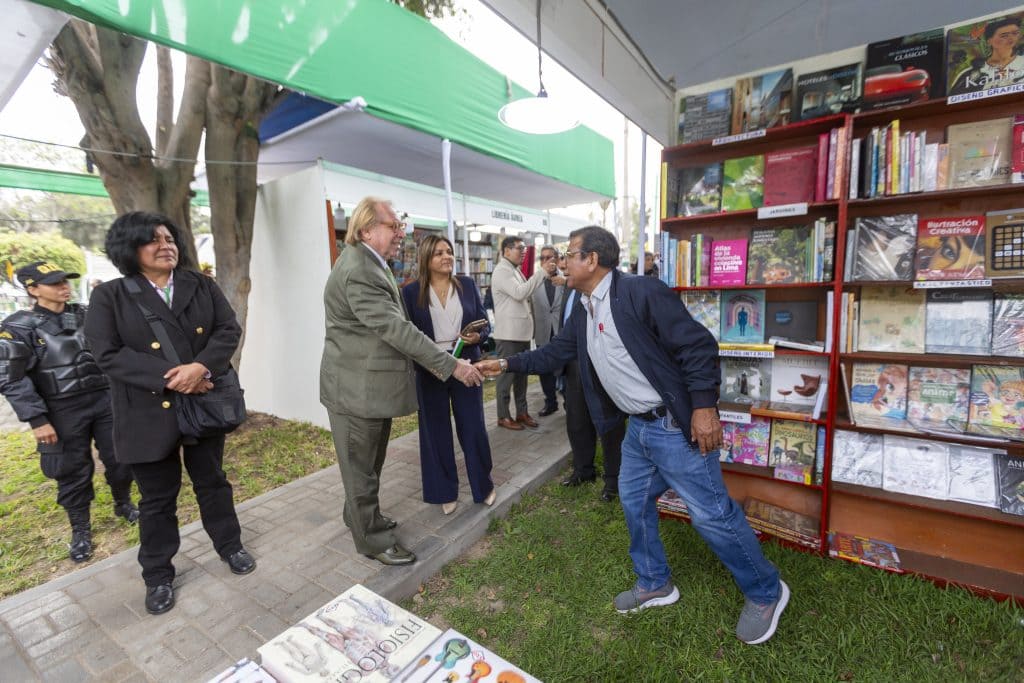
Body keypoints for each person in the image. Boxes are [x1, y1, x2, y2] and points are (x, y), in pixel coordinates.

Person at [475, 226, 789, 645]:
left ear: (593, 260)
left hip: (674, 426)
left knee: (711, 515)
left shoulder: (642, 292)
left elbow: (697, 346)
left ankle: (767, 591)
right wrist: (506, 365)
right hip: (638, 430)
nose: (562, 263)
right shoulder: (583, 305)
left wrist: (702, 408)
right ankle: (655, 581)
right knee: (634, 502)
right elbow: (557, 352)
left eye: (569, 255)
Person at [85, 211, 255, 616]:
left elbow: (227, 330)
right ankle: (158, 574)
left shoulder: (200, 284)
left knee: (213, 483)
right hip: (147, 412)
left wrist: (201, 368)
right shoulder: (110, 295)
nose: (166, 246)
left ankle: (230, 546)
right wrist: (172, 377)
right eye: (154, 240)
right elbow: (105, 353)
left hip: (202, 406)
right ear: (130, 249)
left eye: (170, 238)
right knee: (157, 499)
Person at [319, 197, 482, 567]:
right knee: (360, 469)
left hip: (366, 389)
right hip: (355, 391)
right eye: (394, 226)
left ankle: (361, 518)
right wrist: (452, 365)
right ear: (366, 230)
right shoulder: (361, 269)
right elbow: (394, 328)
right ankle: (373, 539)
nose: (401, 232)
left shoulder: (370, 264)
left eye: (400, 224)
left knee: (366, 466)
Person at [0, 262, 138, 564]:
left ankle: (123, 503)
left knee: (121, 457)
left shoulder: (87, 314)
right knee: (71, 470)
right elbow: (10, 377)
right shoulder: (18, 326)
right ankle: (80, 530)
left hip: (104, 399)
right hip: (60, 408)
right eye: (54, 282)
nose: (64, 286)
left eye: (65, 280)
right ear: (33, 289)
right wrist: (37, 419)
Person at [401, 234, 496, 516]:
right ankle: (444, 490)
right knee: (435, 433)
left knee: (474, 428)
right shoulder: (411, 292)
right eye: (439, 253)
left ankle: (483, 485)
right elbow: (410, 335)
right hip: (431, 370)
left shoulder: (466, 285)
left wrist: (478, 335)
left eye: (449, 252)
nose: (446, 257)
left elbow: (485, 325)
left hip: (467, 365)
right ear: (426, 259)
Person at [557, 283, 626, 502]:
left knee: (609, 423)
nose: (566, 261)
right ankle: (583, 470)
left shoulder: (610, 290)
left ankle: (613, 479)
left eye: (571, 254)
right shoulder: (570, 290)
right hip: (573, 363)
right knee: (576, 420)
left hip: (600, 363)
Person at [490, 236, 558, 430]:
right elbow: (520, 293)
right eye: (519, 248)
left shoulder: (514, 270)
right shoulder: (502, 271)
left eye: (524, 249)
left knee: (521, 375)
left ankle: (521, 412)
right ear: (506, 250)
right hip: (509, 334)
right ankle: (503, 416)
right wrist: (542, 273)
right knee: (506, 377)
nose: (523, 252)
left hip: (520, 333)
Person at [949, 16, 1024, 95]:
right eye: (1004, 35)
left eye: (1015, 33)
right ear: (989, 41)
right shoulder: (969, 74)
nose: (1011, 38)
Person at [531, 246, 564, 417]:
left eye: (549, 257)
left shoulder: (567, 278)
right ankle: (550, 402)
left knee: (564, 368)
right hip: (542, 330)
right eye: (542, 258)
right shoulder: (534, 280)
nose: (546, 261)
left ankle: (569, 401)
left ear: (557, 259)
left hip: (561, 330)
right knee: (544, 368)